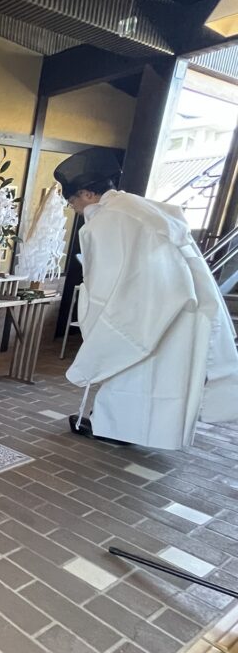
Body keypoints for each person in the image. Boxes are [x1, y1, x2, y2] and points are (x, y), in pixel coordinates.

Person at [55, 147, 238, 448]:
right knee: (158, 377)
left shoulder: (107, 221)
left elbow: (106, 281)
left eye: (72, 201)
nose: (73, 208)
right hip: (178, 306)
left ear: (87, 193)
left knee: (127, 369)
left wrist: (94, 314)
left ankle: (114, 429)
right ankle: (129, 430)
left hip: (142, 311)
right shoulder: (138, 206)